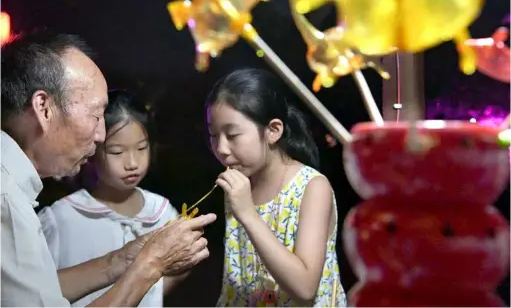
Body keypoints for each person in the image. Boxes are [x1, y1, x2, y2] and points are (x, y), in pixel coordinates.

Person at [1, 32, 217, 307]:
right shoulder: (6, 202)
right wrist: (151, 264)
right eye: (95, 114)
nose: (102, 134)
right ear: (44, 108)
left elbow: (37, 293)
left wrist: (121, 260)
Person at [206, 68, 347, 307]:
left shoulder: (312, 188)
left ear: (273, 131)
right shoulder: (240, 184)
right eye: (213, 135)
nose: (221, 148)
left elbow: (305, 287)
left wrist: (249, 214)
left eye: (232, 135)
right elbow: (238, 281)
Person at [38, 90, 186, 307]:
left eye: (141, 148)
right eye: (117, 152)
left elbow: (179, 268)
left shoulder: (162, 211)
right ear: (92, 151)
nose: (132, 162)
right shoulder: (61, 219)